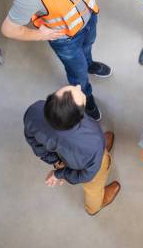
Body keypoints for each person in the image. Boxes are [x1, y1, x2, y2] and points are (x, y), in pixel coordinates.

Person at [2, 0, 110, 121]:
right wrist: (40, 35)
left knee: (89, 45)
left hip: (89, 16)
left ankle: (90, 64)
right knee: (78, 74)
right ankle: (87, 97)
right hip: (65, 39)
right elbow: (8, 29)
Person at [23, 85, 120, 216]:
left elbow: (34, 142)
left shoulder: (34, 111)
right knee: (93, 186)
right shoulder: (93, 140)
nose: (78, 86)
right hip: (90, 159)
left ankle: (96, 155)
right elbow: (86, 175)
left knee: (94, 152)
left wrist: (56, 162)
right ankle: (94, 206)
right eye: (78, 92)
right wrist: (60, 174)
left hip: (72, 154)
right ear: (79, 117)